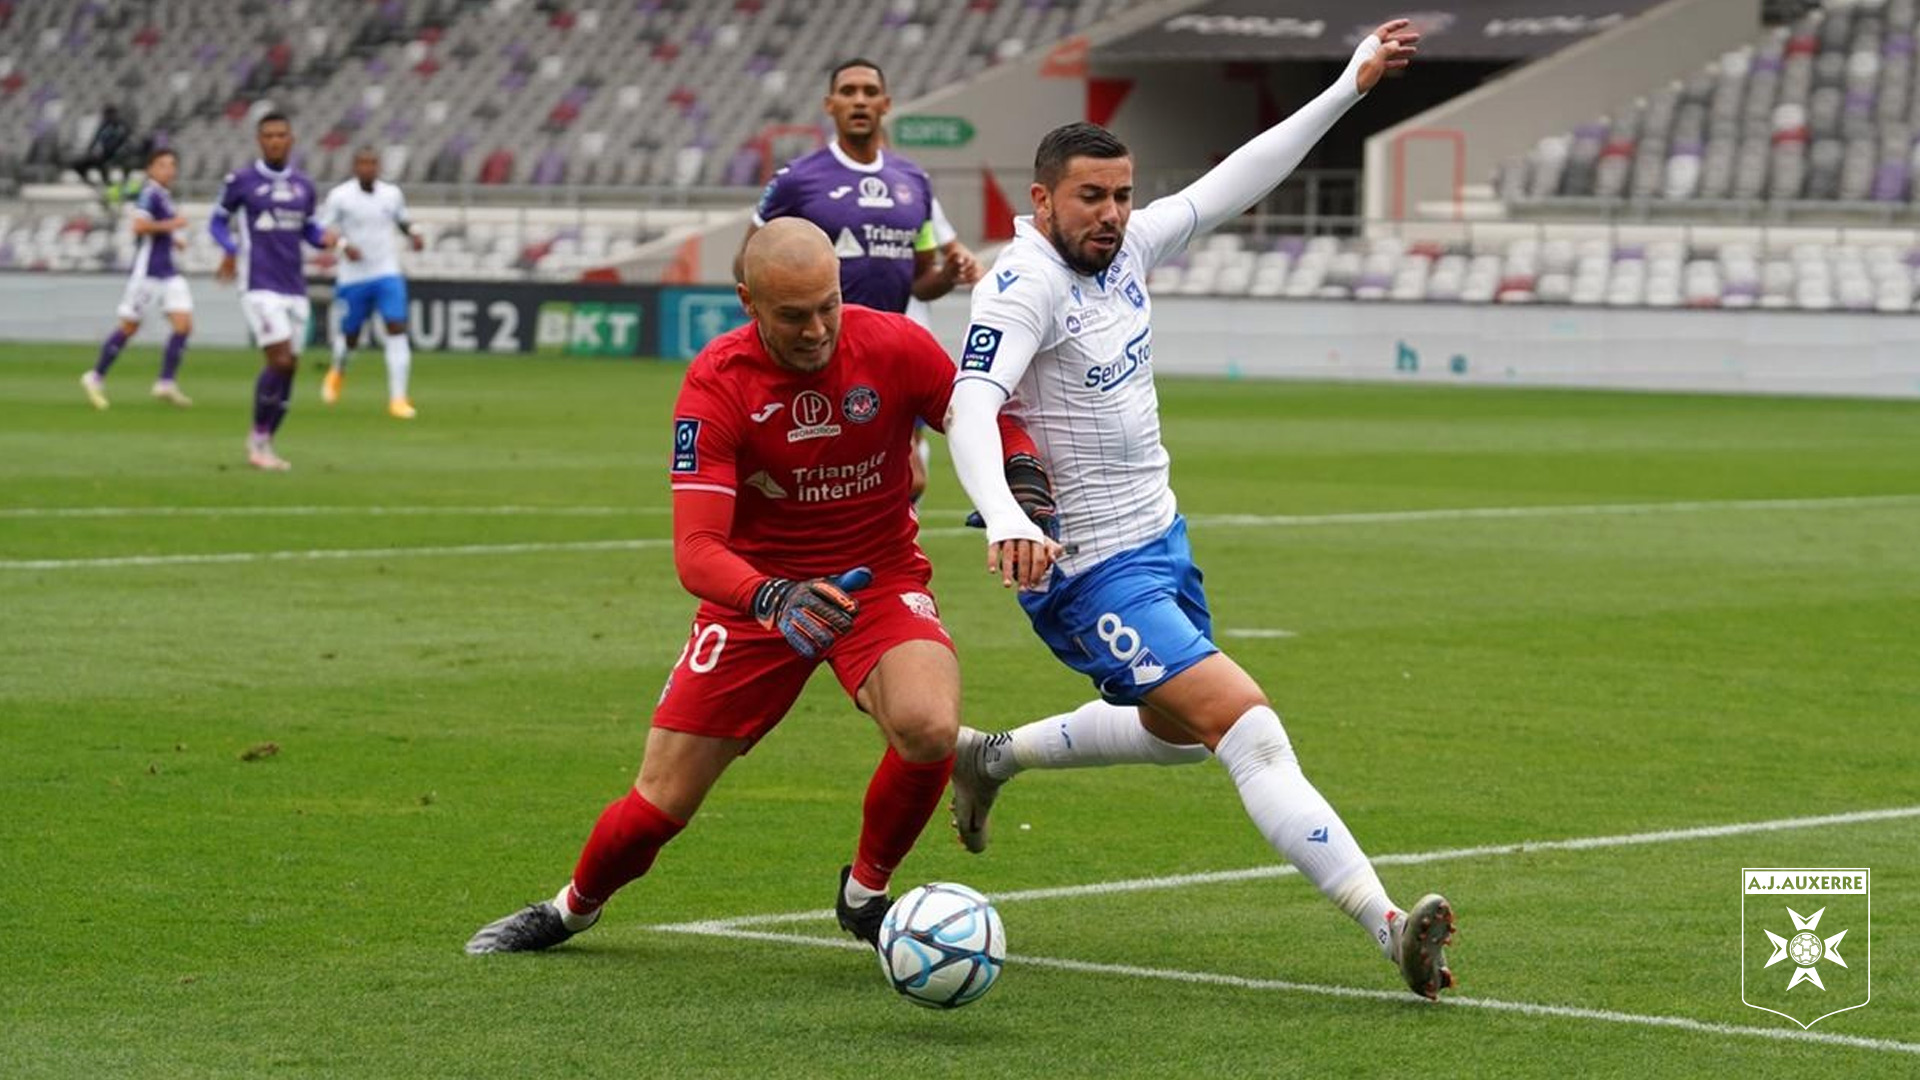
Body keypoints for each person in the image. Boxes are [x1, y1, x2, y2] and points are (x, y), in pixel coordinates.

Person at [940, 21, 1459, 1001]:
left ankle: (989, 756)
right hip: (1086, 569)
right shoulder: (1021, 287)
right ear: (1041, 199)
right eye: (1091, 197)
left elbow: (1240, 176)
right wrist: (1006, 514)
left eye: (1123, 195)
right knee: (1246, 727)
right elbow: (971, 404)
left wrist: (1350, 84)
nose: (1112, 213)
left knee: (1179, 734)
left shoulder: (1130, 246)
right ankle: (1388, 924)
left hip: (1161, 540)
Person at [466, 219, 1040, 957]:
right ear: (748, 302)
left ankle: (866, 896)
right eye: (793, 315)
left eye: (828, 305)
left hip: (880, 577)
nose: (816, 330)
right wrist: (773, 598)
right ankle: (572, 909)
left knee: (929, 728)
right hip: (758, 599)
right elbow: (697, 550)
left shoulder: (894, 343)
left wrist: (1020, 473)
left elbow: (984, 417)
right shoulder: (718, 384)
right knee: (660, 804)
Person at [735, 57, 983, 500]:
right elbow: (747, 260)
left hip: (888, 353)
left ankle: (879, 558)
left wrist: (949, 275)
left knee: (907, 479)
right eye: (848, 92)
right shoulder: (798, 180)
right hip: (817, 352)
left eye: (870, 92)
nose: (860, 101)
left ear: (886, 104)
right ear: (830, 105)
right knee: (821, 477)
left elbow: (920, 280)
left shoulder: (914, 182)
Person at [209, 112, 326, 471]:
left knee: (290, 368)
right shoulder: (241, 181)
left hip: (294, 287)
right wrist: (229, 249)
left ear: (291, 140)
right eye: (269, 135)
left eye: (281, 135)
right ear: (260, 141)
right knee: (280, 360)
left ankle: (265, 441)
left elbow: (309, 230)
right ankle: (258, 439)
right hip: (258, 283)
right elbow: (216, 221)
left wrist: (332, 241)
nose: (275, 141)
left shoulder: (304, 186)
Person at [81, 148, 194, 410]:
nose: (169, 170)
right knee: (129, 327)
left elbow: (157, 229)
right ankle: (95, 376)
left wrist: (173, 239)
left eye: (172, 164)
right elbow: (139, 226)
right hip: (148, 274)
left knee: (184, 325)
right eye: (163, 165)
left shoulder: (164, 196)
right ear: (151, 169)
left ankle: (165, 383)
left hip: (169, 272)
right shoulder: (149, 193)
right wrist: (171, 226)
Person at [318, 147, 424, 419]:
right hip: (353, 276)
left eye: (373, 163)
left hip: (386, 271)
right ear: (355, 167)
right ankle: (338, 370)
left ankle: (398, 398)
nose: (368, 168)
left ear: (378, 166)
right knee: (351, 337)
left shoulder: (392, 194)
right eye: (363, 163)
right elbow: (323, 231)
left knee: (396, 326)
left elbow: (402, 221)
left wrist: (413, 234)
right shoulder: (340, 197)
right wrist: (343, 245)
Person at [70, 105, 132, 197]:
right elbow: (95, 140)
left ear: (114, 115)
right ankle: (94, 185)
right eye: (105, 116)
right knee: (78, 164)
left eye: (109, 115)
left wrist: (121, 151)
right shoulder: (103, 125)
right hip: (105, 156)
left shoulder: (122, 126)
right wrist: (89, 151)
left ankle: (121, 188)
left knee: (112, 165)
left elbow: (127, 141)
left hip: (120, 156)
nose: (107, 118)